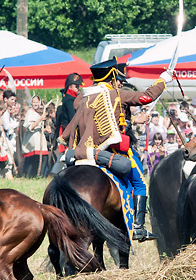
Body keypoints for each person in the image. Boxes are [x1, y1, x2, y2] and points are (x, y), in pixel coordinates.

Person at [72, 60, 170, 241]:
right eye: (117, 79)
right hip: (114, 151)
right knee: (140, 184)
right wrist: (162, 80)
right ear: (110, 78)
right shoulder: (116, 95)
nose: (120, 83)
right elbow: (146, 97)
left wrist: (133, 121)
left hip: (85, 151)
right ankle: (138, 227)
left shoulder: (82, 97)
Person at [21, 96, 49, 177]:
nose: (35, 104)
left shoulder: (36, 113)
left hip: (39, 138)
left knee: (41, 157)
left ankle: (38, 175)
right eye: (34, 102)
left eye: (37, 102)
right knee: (37, 158)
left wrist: (45, 130)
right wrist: (40, 119)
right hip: (33, 140)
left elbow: (37, 128)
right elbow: (31, 127)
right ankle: (34, 175)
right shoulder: (30, 113)